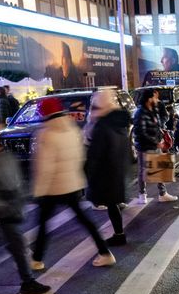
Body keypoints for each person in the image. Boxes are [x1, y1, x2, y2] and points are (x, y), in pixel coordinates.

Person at [30, 97, 115, 270]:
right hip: (72, 184)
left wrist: (39, 190)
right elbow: (80, 156)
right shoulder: (72, 128)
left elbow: (44, 167)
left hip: (53, 187)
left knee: (44, 223)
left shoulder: (45, 133)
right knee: (85, 221)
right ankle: (105, 252)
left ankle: (37, 259)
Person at [0, 119, 51, 294]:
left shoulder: (6, 154)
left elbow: (16, 179)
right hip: (2, 210)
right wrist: (0, 208)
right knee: (17, 244)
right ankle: (28, 281)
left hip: (14, 205)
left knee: (9, 244)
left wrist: (22, 199)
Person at [84, 90, 131, 246]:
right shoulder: (118, 123)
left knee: (108, 204)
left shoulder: (102, 126)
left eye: (96, 107)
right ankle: (119, 234)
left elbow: (95, 154)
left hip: (105, 173)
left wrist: (88, 171)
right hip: (116, 170)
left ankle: (117, 236)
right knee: (112, 204)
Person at [133, 88, 178, 204]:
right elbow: (141, 132)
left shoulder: (153, 109)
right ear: (149, 99)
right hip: (145, 146)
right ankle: (142, 194)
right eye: (155, 97)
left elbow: (157, 124)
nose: (157, 99)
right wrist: (156, 142)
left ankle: (162, 194)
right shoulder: (140, 112)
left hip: (155, 143)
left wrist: (161, 133)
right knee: (143, 170)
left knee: (160, 167)